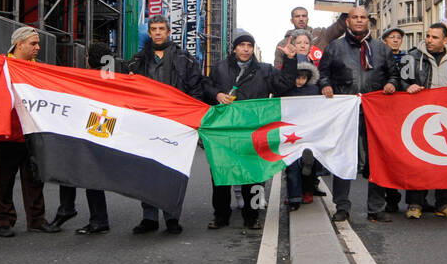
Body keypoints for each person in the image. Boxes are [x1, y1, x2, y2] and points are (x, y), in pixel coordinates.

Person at [125, 14, 210, 234]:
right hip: (147, 122)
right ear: (150, 32)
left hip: (175, 123)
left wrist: (193, 119)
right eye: (154, 29)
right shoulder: (138, 60)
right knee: (147, 171)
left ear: (169, 32)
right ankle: (149, 217)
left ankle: (172, 216)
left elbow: (196, 91)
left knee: (173, 171)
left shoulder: (185, 59)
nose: (158, 32)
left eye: (162, 28)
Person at [317, 6, 401, 224]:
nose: (359, 21)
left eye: (363, 17)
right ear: (348, 22)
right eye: (355, 17)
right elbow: (322, 74)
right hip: (345, 110)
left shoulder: (381, 49)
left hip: (375, 111)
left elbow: (394, 74)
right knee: (343, 158)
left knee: (376, 161)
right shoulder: (334, 47)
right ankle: (342, 206)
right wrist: (325, 85)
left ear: (369, 22)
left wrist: (392, 84)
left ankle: (376, 207)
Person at [206, 29, 298, 229]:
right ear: (235, 48)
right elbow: (206, 87)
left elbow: (283, 86)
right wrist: (217, 94)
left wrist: (290, 60)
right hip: (226, 131)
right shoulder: (220, 67)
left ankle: (252, 216)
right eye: (241, 45)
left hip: (254, 131)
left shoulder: (265, 70)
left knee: (254, 175)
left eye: (249, 46)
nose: (245, 49)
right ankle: (221, 216)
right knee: (221, 175)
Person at [44, 42, 113, 235]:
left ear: (92, 58)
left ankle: (79, 213)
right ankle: (87, 215)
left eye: (87, 55)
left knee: (79, 172)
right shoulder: (111, 76)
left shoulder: (91, 77)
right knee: (85, 173)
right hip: (99, 129)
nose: (85, 59)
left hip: (91, 129)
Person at [401, 23, 447, 219]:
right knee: (419, 161)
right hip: (421, 116)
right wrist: (408, 86)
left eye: (435, 37)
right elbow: (399, 79)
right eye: (428, 36)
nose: (429, 40)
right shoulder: (411, 57)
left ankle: (444, 203)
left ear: (446, 39)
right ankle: (415, 203)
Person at [0, 27, 49, 237]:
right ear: (19, 44)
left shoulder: (40, 68)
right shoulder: (0, 65)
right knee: (4, 180)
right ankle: (4, 221)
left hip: (33, 132)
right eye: (33, 43)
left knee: (35, 178)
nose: (38, 47)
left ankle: (36, 220)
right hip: (8, 132)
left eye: (38, 43)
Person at [284, 61, 325, 208]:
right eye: (297, 77)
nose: (299, 81)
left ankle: (297, 196)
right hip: (297, 131)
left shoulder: (313, 90)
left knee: (299, 164)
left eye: (303, 78)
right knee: (297, 165)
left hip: (301, 131)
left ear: (308, 77)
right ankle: (301, 194)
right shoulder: (287, 89)